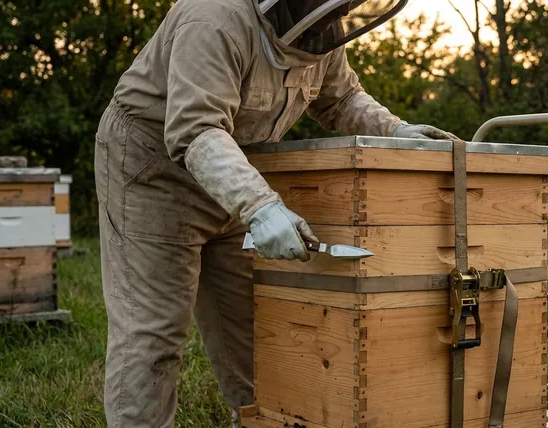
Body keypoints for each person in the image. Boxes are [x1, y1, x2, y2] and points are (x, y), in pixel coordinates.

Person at [94, 0, 458, 426]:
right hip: (154, 171)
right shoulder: (212, 20)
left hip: (239, 175)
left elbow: (342, 100)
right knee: (153, 331)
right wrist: (261, 206)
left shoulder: (319, 30)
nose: (330, 23)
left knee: (256, 327)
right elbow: (195, 128)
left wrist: (396, 131)